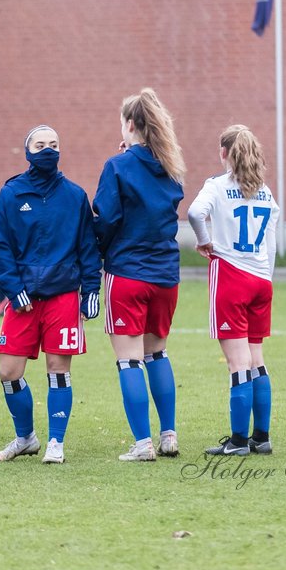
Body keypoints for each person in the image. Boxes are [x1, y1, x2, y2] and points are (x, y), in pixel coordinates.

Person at [0, 125, 101, 465]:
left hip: (62, 296)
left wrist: (91, 290)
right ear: (27, 151)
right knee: (9, 372)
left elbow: (88, 247)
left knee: (58, 369)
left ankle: (56, 442)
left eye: (54, 144)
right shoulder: (11, 194)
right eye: (41, 144)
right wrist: (13, 288)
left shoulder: (75, 195)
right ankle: (25, 438)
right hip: (22, 300)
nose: (48, 150)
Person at [93, 88, 185, 461]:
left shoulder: (117, 166)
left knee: (128, 359)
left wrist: (95, 251)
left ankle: (143, 443)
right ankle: (168, 435)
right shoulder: (170, 165)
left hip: (128, 273)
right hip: (165, 275)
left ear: (130, 125)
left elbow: (108, 217)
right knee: (157, 354)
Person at [187, 125, 279, 457]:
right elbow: (271, 244)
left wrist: (203, 241)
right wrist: (264, 277)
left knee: (237, 363)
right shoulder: (266, 192)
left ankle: (239, 440)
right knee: (256, 360)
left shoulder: (217, 186)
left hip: (232, 277)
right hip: (260, 280)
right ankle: (262, 436)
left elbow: (195, 213)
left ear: (224, 152)